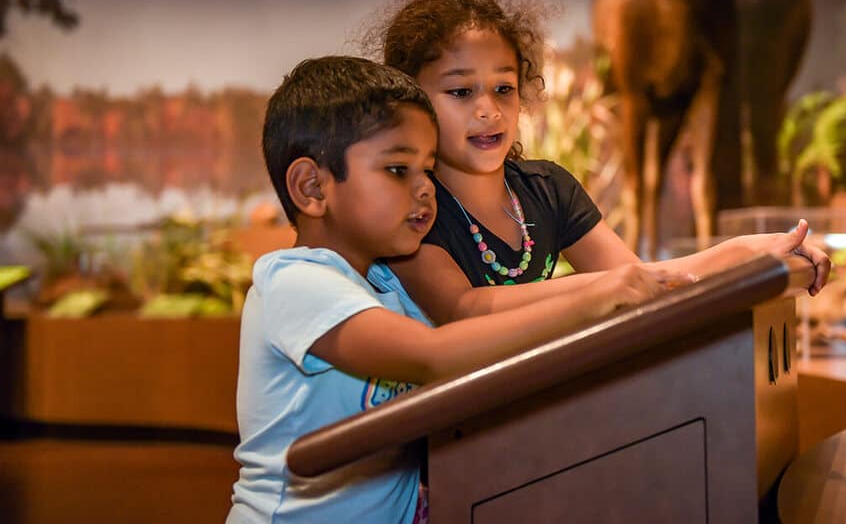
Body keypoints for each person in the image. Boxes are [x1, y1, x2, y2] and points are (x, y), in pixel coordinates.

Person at [226, 55, 676, 524]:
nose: (426, 190)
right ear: (311, 186)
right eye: (400, 170)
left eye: (428, 170)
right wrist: (593, 298)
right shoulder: (294, 281)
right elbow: (432, 355)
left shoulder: (385, 286)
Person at [372, 0, 830, 326]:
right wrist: (598, 289)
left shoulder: (548, 188)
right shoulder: (413, 205)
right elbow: (462, 309)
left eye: (503, 88)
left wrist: (755, 249)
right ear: (410, 99)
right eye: (461, 91)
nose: (488, 110)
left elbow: (644, 279)